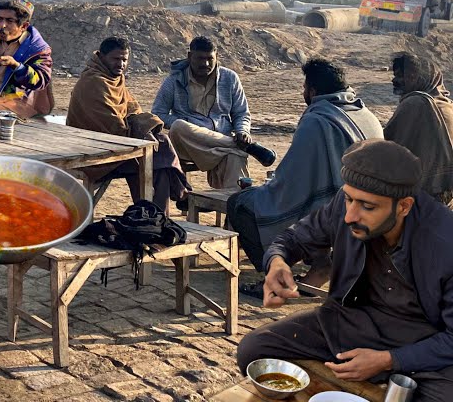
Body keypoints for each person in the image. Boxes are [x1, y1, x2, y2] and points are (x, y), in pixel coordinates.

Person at [238, 140, 453, 400]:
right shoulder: (347, 204)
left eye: (367, 207)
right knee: (253, 350)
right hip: (348, 321)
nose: (350, 215)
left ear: (404, 206)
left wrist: (389, 360)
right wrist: (277, 262)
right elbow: (293, 239)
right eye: (349, 199)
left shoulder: (445, 241)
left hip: (422, 343)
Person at [228, 58, 383, 282]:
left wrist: (264, 190)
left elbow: (292, 182)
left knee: (241, 204)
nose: (303, 92)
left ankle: (298, 267)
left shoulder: (318, 121)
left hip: (340, 209)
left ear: (312, 90)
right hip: (374, 205)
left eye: (304, 88)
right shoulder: (367, 114)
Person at [66, 36, 188, 209]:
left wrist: (143, 125)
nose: (121, 64)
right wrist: (140, 126)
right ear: (101, 57)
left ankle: (156, 218)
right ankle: (164, 206)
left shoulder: (115, 79)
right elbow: (112, 127)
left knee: (159, 159)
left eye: (124, 60)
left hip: (121, 145)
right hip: (94, 153)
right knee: (155, 155)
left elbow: (132, 109)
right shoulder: (93, 83)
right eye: (116, 59)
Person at [151, 36, 276, 189]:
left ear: (217, 56)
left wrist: (242, 131)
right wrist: (188, 124)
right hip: (189, 143)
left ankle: (232, 206)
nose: (205, 63)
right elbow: (158, 113)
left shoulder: (230, 78)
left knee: (235, 156)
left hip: (219, 144)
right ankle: (244, 146)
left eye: (210, 58)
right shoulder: (174, 80)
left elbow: (241, 113)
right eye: (200, 58)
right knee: (178, 126)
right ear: (190, 57)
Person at [385, 52, 453, 204]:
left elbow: (389, 144)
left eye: (402, 76)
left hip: (420, 192)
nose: (395, 80)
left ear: (418, 78)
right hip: (445, 190)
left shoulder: (414, 103)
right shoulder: (447, 103)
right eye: (395, 75)